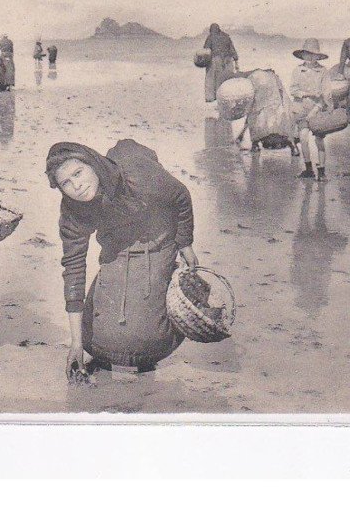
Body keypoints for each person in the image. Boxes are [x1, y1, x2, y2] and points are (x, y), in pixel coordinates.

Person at [46, 139, 198, 378]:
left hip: (158, 235)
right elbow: (73, 268)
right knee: (93, 338)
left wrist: (185, 243)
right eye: (66, 182)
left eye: (78, 172)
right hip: (116, 241)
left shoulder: (140, 178)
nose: (77, 185)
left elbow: (180, 196)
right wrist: (75, 343)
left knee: (146, 339)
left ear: (93, 164)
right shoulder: (73, 210)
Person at [290, 39, 332, 181]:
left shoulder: (323, 71)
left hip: (317, 109)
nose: (309, 57)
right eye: (306, 54)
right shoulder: (297, 70)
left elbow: (326, 93)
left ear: (317, 56)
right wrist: (306, 94)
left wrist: (317, 107)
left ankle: (321, 171)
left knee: (319, 140)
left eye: (312, 54)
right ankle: (308, 169)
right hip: (301, 108)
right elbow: (293, 90)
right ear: (303, 55)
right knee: (303, 139)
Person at [203, 23, 239, 103]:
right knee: (226, 78)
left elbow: (206, 49)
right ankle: (226, 96)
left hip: (215, 59)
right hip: (228, 60)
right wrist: (236, 62)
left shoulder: (210, 37)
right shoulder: (226, 36)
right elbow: (232, 49)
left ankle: (210, 97)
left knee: (211, 77)